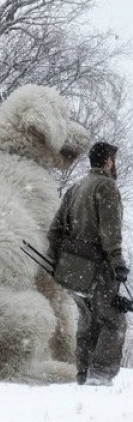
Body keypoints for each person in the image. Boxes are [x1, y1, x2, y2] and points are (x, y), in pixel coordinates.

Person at [47, 141, 128, 386]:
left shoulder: (76, 187)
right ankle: (100, 375)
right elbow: (110, 231)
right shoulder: (106, 187)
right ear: (109, 161)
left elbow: (55, 230)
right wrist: (117, 261)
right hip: (99, 267)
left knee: (87, 320)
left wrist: (57, 260)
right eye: (114, 160)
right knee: (113, 320)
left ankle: (83, 373)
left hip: (72, 268)